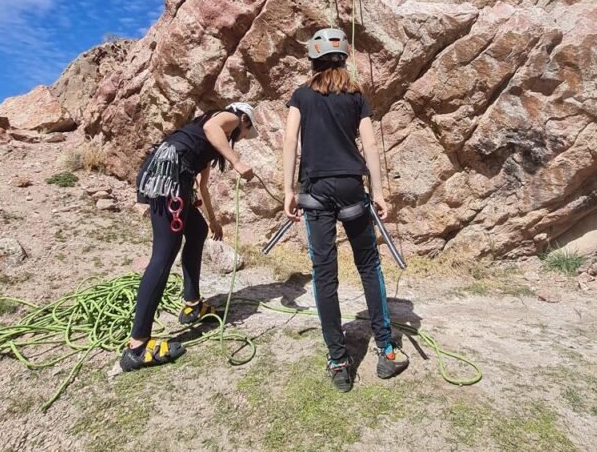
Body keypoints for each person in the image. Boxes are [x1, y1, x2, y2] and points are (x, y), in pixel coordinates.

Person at [282, 28, 408, 392]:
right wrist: (378, 191)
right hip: (352, 187)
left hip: (316, 190)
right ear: (344, 58)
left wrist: (288, 189)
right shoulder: (356, 96)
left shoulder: (301, 95)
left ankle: (338, 360)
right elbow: (369, 145)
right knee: (368, 266)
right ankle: (386, 349)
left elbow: (290, 140)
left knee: (324, 275)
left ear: (313, 59)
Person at [119, 103, 257, 372]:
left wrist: (213, 219)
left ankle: (192, 305)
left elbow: (202, 185)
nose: (241, 137)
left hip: (174, 178)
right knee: (164, 255)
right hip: (169, 177)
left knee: (197, 230)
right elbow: (213, 126)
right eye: (245, 131)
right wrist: (237, 161)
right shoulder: (227, 118)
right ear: (243, 119)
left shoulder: (207, 145)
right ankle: (137, 347)